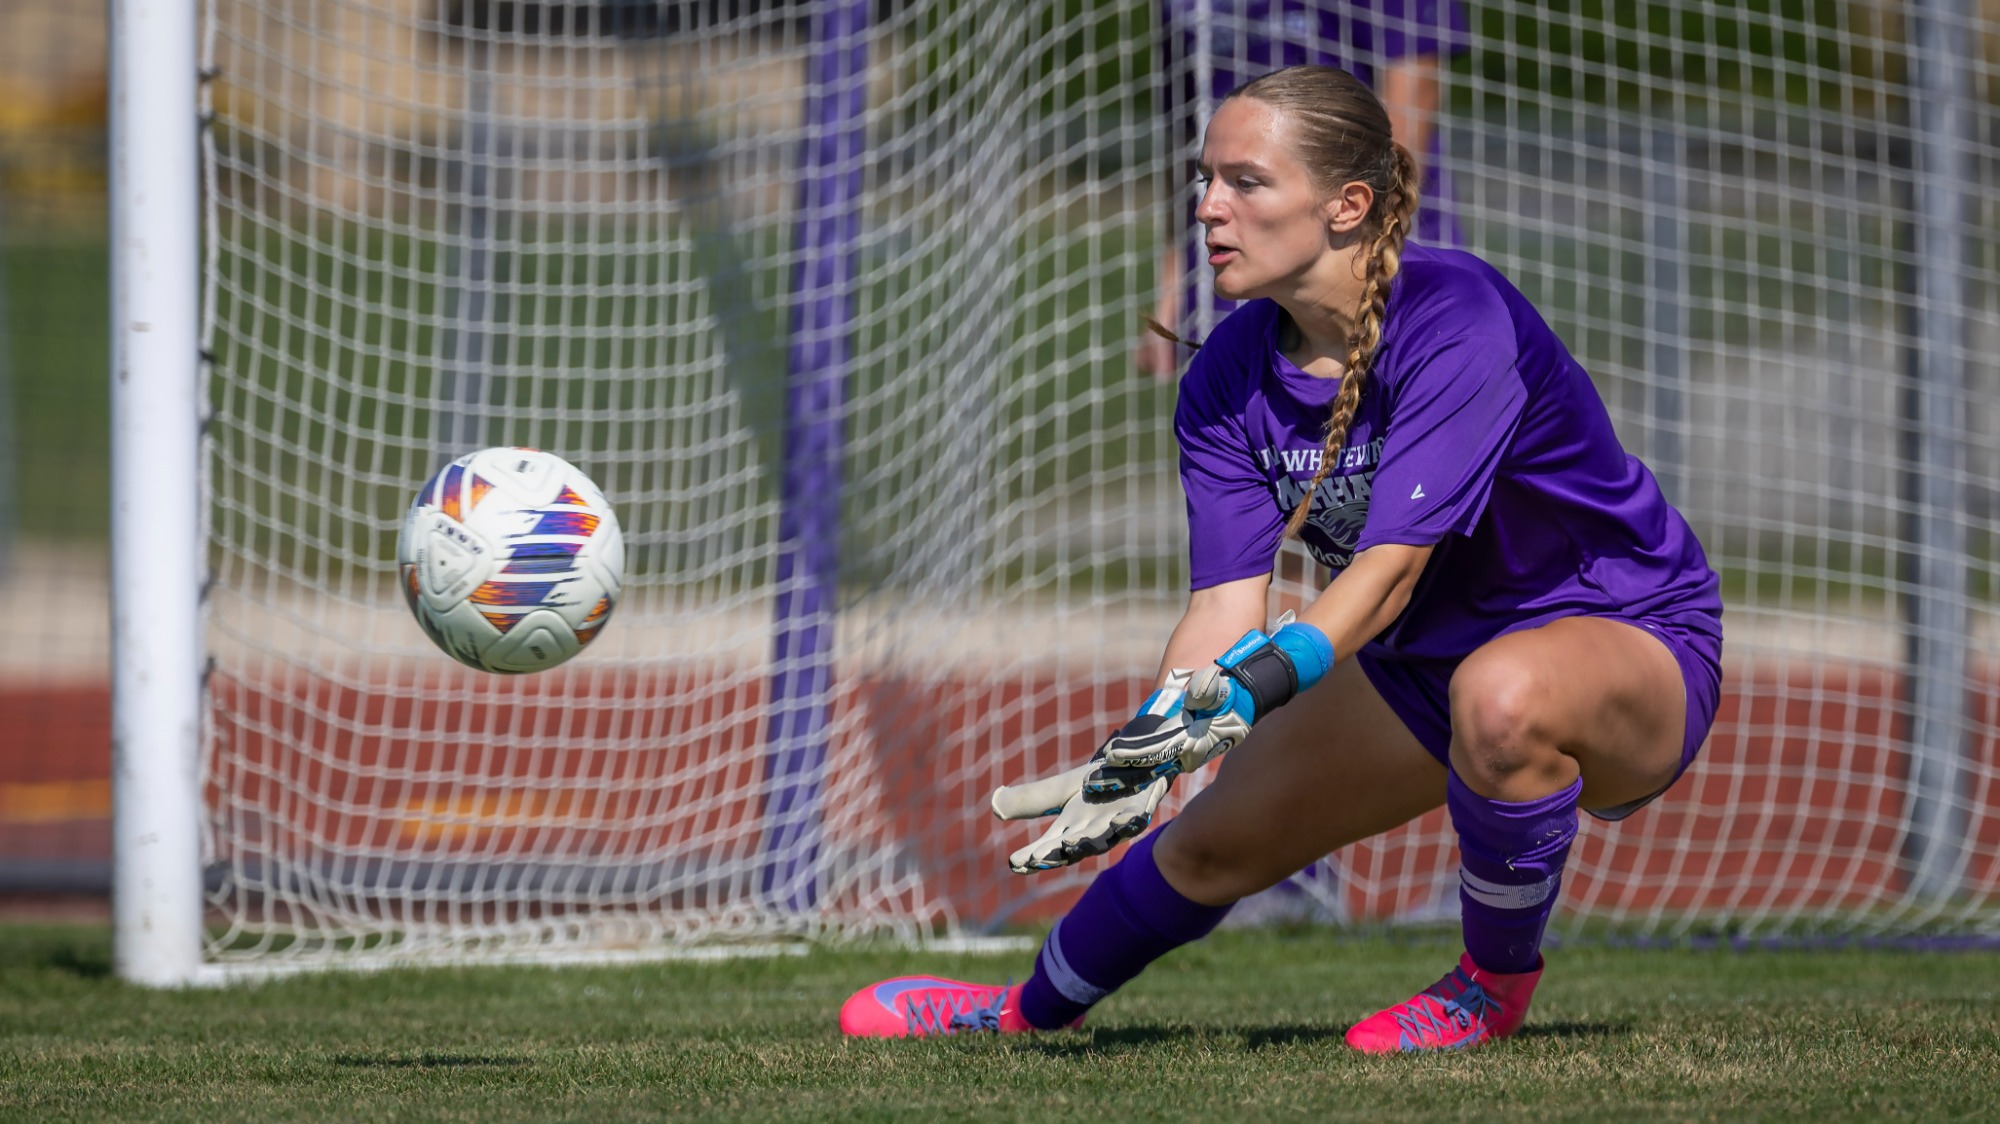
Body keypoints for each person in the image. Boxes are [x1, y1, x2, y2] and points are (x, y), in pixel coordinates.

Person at [838, 64, 1723, 1052]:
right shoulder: (1223, 373)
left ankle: (1488, 985)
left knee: (1502, 696)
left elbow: (1383, 576)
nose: (1207, 207)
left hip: (1624, 636)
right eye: (1202, 178)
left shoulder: (1454, 317)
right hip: (1422, 665)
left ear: (1346, 206)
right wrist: (1154, 744)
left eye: (1244, 182)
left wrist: (1255, 689)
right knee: (1209, 843)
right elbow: (1223, 603)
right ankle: (1019, 1011)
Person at [1138, 0, 1467, 377]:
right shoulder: (1184, 7)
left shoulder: (1457, 324)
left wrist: (1377, 251)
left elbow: (1409, 108)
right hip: (1228, 274)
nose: (1206, 207)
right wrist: (1174, 287)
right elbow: (1188, 142)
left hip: (1366, 254)